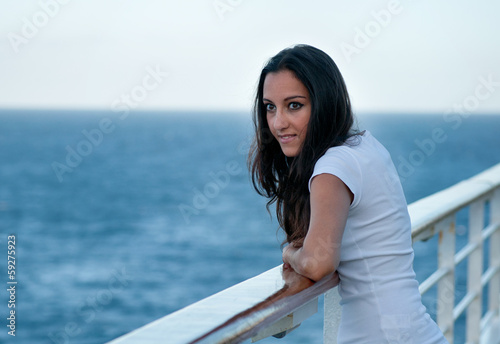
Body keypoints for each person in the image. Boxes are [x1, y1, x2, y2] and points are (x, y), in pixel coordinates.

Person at [248, 44, 448, 343]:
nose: (278, 122)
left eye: (294, 105)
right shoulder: (364, 146)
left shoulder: (333, 168)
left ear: (324, 103)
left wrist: (290, 253)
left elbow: (318, 263)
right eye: (270, 107)